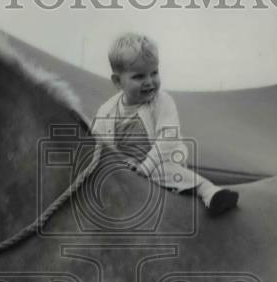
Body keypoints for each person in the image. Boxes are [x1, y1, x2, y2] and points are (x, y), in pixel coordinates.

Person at [91, 33, 239, 216]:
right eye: (139, 76)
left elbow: (167, 139)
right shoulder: (107, 111)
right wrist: (119, 164)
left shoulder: (162, 102)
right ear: (117, 81)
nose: (149, 81)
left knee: (165, 171)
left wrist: (145, 167)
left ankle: (208, 191)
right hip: (129, 170)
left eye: (154, 73)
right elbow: (99, 145)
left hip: (161, 160)